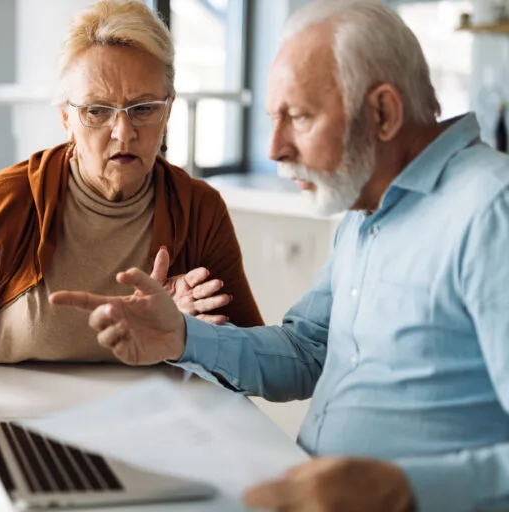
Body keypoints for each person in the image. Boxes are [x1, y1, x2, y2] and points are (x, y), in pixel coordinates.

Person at [50, 1, 509, 511]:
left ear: (382, 112)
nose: (274, 149)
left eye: (298, 116)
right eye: (273, 118)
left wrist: (404, 489)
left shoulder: (492, 213)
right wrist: (180, 336)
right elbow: (310, 352)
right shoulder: (366, 207)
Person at [0, 0, 264, 364]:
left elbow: (251, 361)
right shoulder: (7, 200)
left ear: (168, 112)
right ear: (67, 119)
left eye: (143, 109)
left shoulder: (199, 209)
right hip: (18, 417)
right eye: (97, 111)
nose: (123, 132)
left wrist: (188, 333)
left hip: (147, 422)